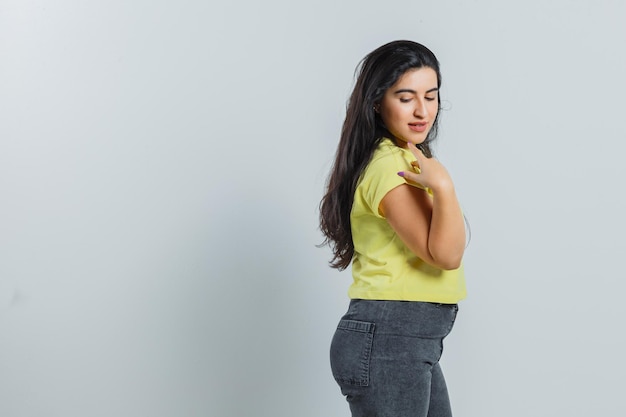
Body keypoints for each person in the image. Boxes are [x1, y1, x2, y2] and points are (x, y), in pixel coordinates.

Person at [319, 40, 467, 417]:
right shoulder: (390, 167)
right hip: (388, 341)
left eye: (431, 96)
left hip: (406, 342)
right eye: (406, 97)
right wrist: (444, 186)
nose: (422, 110)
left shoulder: (408, 160)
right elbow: (446, 255)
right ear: (376, 102)